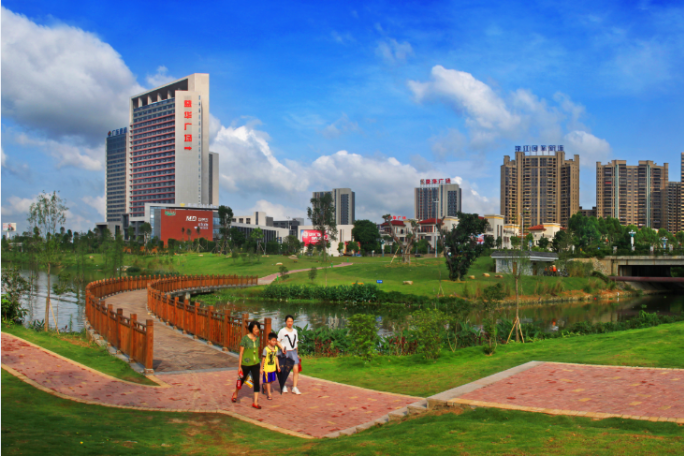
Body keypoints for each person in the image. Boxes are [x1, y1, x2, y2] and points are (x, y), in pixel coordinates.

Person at [232, 321, 262, 409]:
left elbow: (257, 351)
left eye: (258, 329)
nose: (257, 330)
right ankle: (236, 394)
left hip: (256, 363)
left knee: (257, 382)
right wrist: (239, 366)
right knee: (241, 380)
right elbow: (241, 353)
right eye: (256, 328)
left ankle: (255, 402)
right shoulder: (245, 339)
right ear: (251, 328)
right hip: (246, 363)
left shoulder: (258, 339)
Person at [277, 315, 301, 394]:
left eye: (291, 321)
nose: (290, 323)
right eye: (288, 321)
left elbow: (296, 343)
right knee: (284, 370)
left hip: (293, 352)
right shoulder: (282, 331)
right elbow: (278, 341)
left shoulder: (295, 331)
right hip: (285, 353)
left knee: (296, 370)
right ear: (285, 322)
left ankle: (294, 387)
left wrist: (297, 354)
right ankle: (283, 385)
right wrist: (282, 347)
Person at [260, 332, 281, 400]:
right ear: (268, 341)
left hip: (273, 368)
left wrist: (278, 366)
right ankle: (269, 394)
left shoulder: (276, 349)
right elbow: (263, 359)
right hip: (267, 368)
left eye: (275, 341)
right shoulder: (266, 349)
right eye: (273, 340)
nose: (274, 342)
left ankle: (264, 386)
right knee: (268, 381)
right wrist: (261, 368)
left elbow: (276, 358)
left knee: (272, 380)